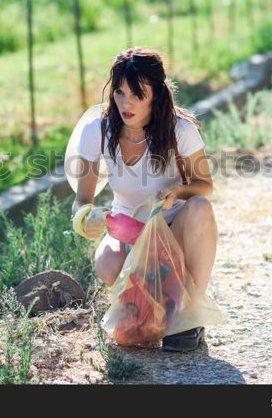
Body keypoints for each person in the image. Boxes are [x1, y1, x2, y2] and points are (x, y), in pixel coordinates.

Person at [70, 46, 218, 352]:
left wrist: (179, 192)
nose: (127, 103)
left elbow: (205, 186)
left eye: (138, 94)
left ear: (156, 93)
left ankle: (190, 319)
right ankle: (158, 308)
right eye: (120, 93)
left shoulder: (181, 129)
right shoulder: (96, 129)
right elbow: (81, 201)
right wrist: (86, 219)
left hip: (173, 227)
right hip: (128, 226)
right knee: (109, 266)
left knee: (201, 208)